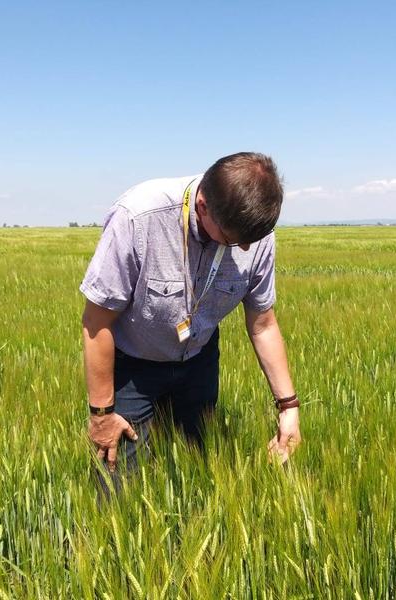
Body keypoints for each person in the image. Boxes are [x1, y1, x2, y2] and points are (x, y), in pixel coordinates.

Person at [79, 152, 301, 491]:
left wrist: (288, 407)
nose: (244, 249)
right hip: (132, 364)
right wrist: (101, 415)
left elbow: (263, 324)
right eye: (232, 240)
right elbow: (96, 321)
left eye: (251, 241)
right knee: (117, 481)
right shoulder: (138, 218)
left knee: (198, 470)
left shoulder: (253, 232)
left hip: (199, 358)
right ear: (202, 206)